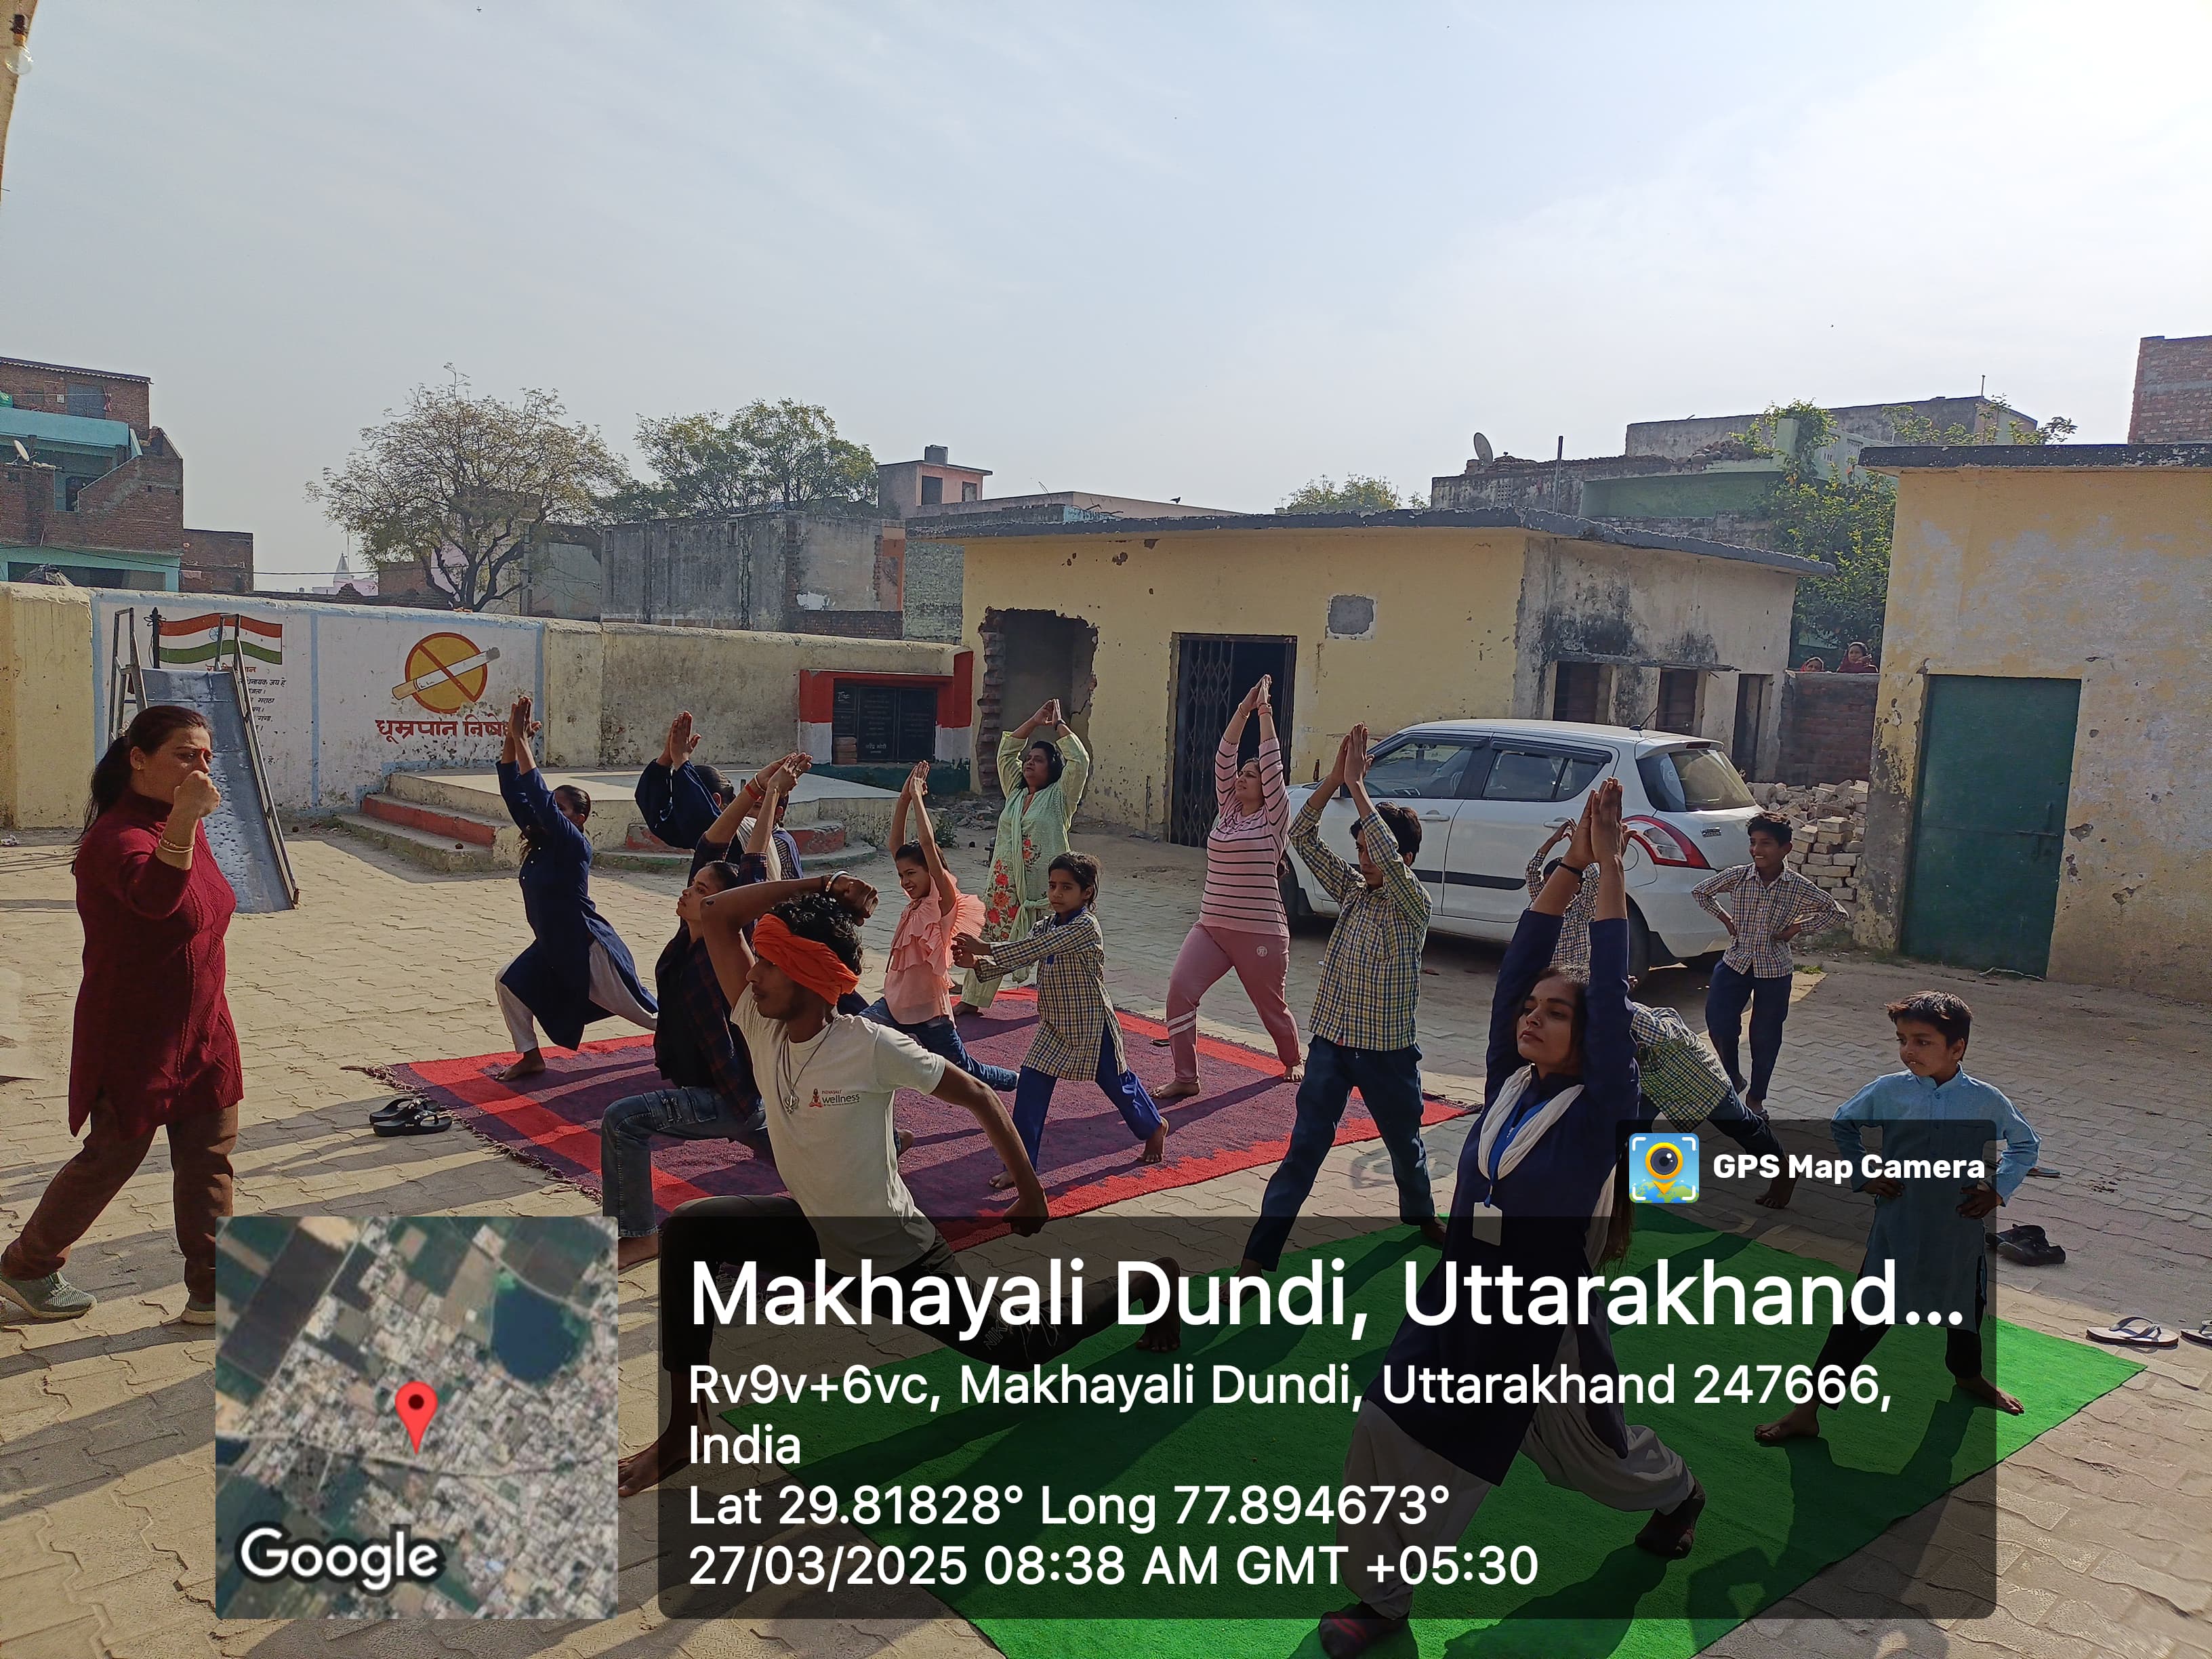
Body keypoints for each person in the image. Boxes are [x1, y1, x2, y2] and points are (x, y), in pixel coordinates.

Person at [617, 882, 1180, 1495]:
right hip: (816, 1236)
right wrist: (823, 885)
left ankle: (1150, 1282)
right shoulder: (759, 1023)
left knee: (1022, 1348)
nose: (753, 975)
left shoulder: (869, 1045)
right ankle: (685, 1427)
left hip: (894, 1258)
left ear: (811, 975)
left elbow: (979, 1094)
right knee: (692, 1230)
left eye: (771, 964)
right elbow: (718, 913)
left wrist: (1031, 1191)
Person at [1315, 782, 1706, 1659]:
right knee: (1385, 1422)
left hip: (1537, 1318)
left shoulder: (1601, 1109)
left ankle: (1678, 1493)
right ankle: (1380, 1598)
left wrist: (1611, 874)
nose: (1532, 1018)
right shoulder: (1510, 1083)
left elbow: (1607, 999)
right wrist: (1570, 863)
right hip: (1458, 1296)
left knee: (1583, 1453)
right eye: (1530, 1009)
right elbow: (1524, 963)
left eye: (1555, 1014)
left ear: (1592, 1038)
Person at [0, 708, 241, 1324]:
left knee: (210, 1157)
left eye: (206, 756)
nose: (200, 768)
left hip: (205, 1027)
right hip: (136, 1033)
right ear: (138, 759)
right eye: (184, 755)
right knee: (113, 1156)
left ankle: (213, 1292)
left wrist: (184, 820)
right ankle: (26, 1267)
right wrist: (185, 818)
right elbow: (158, 899)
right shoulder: (115, 840)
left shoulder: (180, 823)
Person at [1755, 991, 2039, 1446]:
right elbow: (1843, 1124)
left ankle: (1968, 1376)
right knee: (1859, 1322)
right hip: (1899, 1227)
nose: (1909, 1051)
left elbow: (2025, 1144)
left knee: (1967, 1311)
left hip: (1959, 1228)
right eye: (1902, 1040)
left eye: (1922, 1041)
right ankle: (1807, 1411)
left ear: (1958, 1048)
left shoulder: (1986, 1101)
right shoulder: (1889, 1091)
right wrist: (1865, 1171)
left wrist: (1998, 1189)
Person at [1242, 726, 1444, 1275]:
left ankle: (1420, 1213)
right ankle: (1258, 1257)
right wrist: (1334, 779)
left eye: (1373, 850)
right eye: (1359, 850)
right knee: (1305, 1148)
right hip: (1331, 1045)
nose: (1364, 859)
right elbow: (1303, 837)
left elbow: (1389, 861)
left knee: (1404, 1143)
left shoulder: (1413, 905)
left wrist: (1359, 788)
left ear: (1405, 856)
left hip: (1388, 1054)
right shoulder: (1355, 893)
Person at [598, 764, 814, 1272]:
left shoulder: (731, 947)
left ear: (721, 905)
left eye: (699, 890)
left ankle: (638, 1236)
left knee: (622, 1120)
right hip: (734, 1092)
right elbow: (715, 847)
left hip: (728, 1093)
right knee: (800, 1153)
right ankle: (875, 1149)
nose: (687, 892)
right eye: (693, 886)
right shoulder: (686, 939)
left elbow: (753, 871)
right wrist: (759, 790)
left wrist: (768, 803)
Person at [954, 853, 1168, 1187]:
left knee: (1118, 1084)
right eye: (1053, 885)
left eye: (1066, 887)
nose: (1056, 894)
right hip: (1053, 1026)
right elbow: (1025, 952)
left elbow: (1034, 949)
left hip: (1092, 1026)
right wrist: (978, 965)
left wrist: (984, 948)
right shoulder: (1045, 925)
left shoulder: (1085, 927)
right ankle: (1021, 1165)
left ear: (1087, 892)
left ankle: (1153, 1127)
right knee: (1030, 1088)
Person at [493, 693, 657, 1081]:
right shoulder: (542, 838)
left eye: (562, 808)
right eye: (554, 806)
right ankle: (530, 1056)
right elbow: (513, 789)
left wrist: (524, 743)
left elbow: (537, 796)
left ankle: (708, 1043)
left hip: (589, 949)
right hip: (554, 946)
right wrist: (512, 739)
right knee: (508, 982)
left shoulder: (572, 843)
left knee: (649, 1016)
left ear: (579, 819)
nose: (552, 810)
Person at [1157, 674, 1303, 1101]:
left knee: (1271, 1008)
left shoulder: (1275, 817)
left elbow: (1272, 765)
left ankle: (1293, 1058)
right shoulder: (1227, 810)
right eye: (1242, 773)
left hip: (1260, 932)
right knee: (1180, 992)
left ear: (1267, 787)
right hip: (1211, 928)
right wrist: (1242, 710)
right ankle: (1186, 1076)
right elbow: (1224, 756)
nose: (1242, 777)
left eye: (1252, 775)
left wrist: (1265, 713)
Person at [862, 762, 1019, 1091]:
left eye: (912, 874)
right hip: (894, 1004)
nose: (905, 881)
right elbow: (895, 844)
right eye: (901, 875)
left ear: (931, 873)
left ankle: (1017, 1081)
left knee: (967, 1073)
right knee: (858, 1034)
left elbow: (927, 843)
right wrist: (904, 798)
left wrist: (919, 799)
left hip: (930, 1015)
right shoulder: (915, 905)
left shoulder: (942, 902)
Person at [1694, 814, 1847, 1115]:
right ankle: (1733, 1077)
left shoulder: (1798, 887)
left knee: (1765, 1036)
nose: (1757, 850)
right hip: (1735, 961)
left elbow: (1836, 912)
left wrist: (1797, 928)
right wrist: (1726, 919)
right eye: (1753, 842)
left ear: (1786, 848)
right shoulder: (1739, 876)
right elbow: (1701, 891)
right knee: (1719, 1023)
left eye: (1766, 843)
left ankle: (1757, 1098)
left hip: (1774, 970)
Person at [956, 699, 1090, 1015]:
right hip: (1005, 886)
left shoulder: (1060, 796)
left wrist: (1058, 725)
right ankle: (972, 999)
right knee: (991, 935)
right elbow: (1006, 754)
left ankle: (1064, 1004)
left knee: (1056, 947)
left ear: (1052, 768)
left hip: (1048, 890)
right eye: (1028, 759)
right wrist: (1033, 720)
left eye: (1038, 760)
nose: (1029, 763)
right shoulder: (1015, 794)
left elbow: (1080, 760)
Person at [636, 710, 812, 880]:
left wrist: (773, 789)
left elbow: (702, 820)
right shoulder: (705, 836)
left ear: (715, 801)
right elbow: (661, 819)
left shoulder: (755, 838)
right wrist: (666, 759)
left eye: (683, 803)